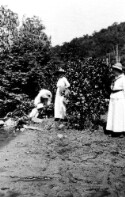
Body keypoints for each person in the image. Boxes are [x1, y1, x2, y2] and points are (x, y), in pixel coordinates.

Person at [106, 62, 125, 137]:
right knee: (113, 114)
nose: (113, 71)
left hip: (120, 98)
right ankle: (113, 130)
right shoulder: (115, 78)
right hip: (113, 97)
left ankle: (121, 131)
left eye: (114, 70)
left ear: (118, 70)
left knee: (119, 115)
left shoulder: (123, 78)